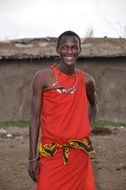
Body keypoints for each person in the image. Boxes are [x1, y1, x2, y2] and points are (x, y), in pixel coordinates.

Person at [28, 31, 97, 190]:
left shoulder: (86, 80)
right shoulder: (42, 78)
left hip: (79, 154)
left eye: (74, 47)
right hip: (51, 153)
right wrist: (32, 158)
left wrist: (87, 128)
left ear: (79, 50)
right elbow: (34, 118)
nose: (69, 52)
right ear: (57, 49)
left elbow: (94, 105)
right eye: (65, 47)